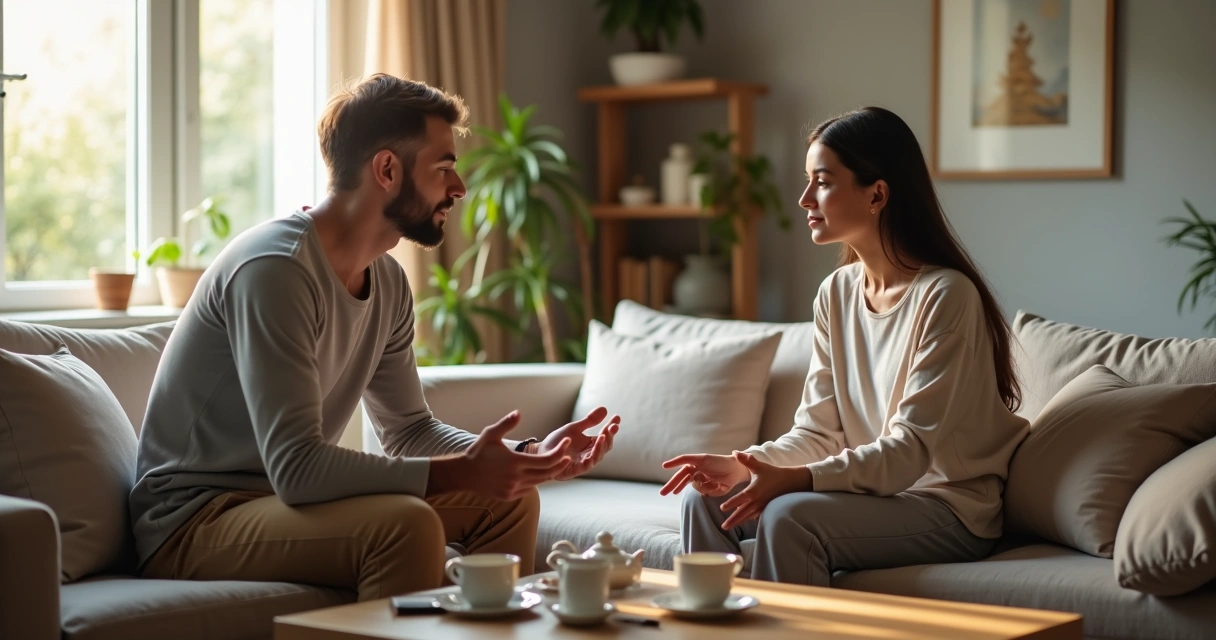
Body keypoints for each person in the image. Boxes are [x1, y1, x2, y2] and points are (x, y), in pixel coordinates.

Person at [130, 73, 620, 601]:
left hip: (284, 507)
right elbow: (297, 468)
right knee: (403, 524)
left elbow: (407, 429)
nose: (459, 189)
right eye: (444, 168)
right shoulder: (275, 270)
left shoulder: (387, 281)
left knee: (512, 499)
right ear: (387, 169)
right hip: (195, 520)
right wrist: (462, 473)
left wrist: (523, 457)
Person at [659, 106, 1030, 587]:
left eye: (823, 182)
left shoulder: (945, 295)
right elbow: (818, 433)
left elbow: (909, 452)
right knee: (704, 501)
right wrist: (744, 466)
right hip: (875, 496)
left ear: (877, 194)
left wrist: (798, 479)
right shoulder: (836, 292)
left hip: (947, 505)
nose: (804, 198)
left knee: (791, 517)